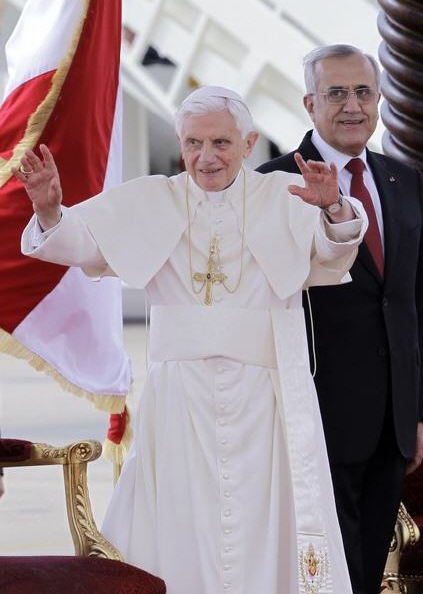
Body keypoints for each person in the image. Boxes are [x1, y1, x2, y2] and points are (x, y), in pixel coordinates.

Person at [16, 86, 367, 594]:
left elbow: (335, 251)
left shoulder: (285, 195)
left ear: (248, 144)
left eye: (221, 143)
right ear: (181, 144)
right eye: (193, 143)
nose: (206, 157)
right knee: (181, 519)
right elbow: (82, 242)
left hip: (264, 404)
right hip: (179, 402)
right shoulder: (151, 199)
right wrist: (50, 210)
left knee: (264, 521)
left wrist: (333, 206)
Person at [257, 45, 423, 594]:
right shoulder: (274, 185)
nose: (352, 106)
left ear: (378, 100)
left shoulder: (404, 181)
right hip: (314, 412)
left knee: (367, 567)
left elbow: (412, 302)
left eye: (362, 93)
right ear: (309, 103)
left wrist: (417, 412)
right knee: (322, 572)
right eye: (336, 93)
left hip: (392, 421)